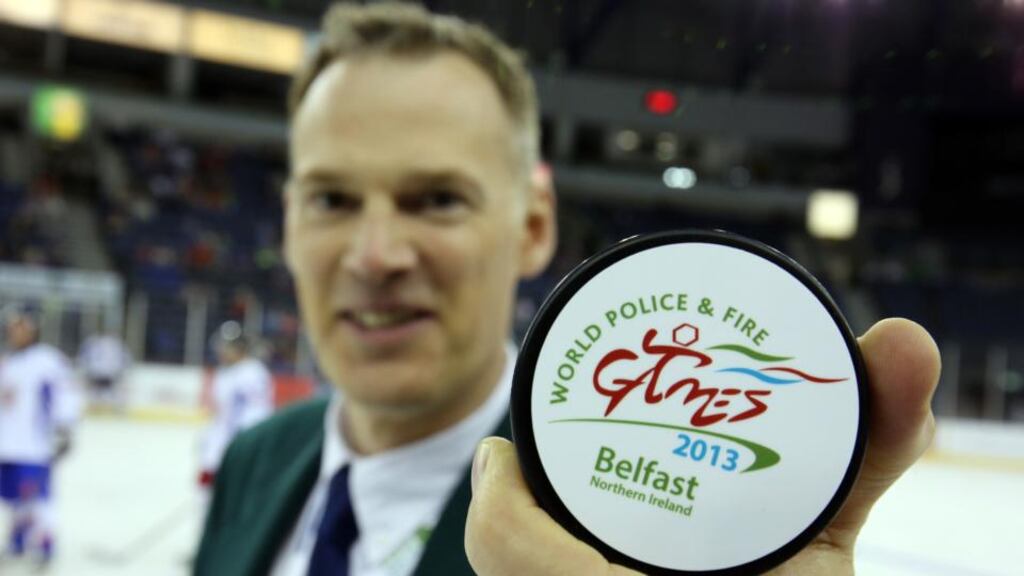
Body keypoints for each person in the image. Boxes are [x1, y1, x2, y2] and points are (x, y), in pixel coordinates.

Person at [194, 3, 941, 576]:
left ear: (533, 225)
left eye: (438, 199)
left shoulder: (640, 529)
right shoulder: (255, 459)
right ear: (287, 219)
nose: (377, 255)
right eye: (331, 199)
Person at [0, 307, 81, 567]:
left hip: (34, 446)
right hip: (7, 445)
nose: (15, 332)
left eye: (21, 326)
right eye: (12, 327)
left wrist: (65, 429)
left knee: (38, 498)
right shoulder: (8, 361)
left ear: (33, 329)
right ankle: (17, 542)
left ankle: (45, 546)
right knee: (14, 498)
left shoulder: (47, 360)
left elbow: (66, 393)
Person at [198, 321, 274, 499]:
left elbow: (257, 416)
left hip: (233, 453)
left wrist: (238, 448)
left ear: (238, 348)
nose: (220, 350)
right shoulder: (226, 372)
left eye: (225, 346)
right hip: (217, 451)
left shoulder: (253, 373)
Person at [77, 330, 132, 411]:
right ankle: (118, 409)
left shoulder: (92, 342)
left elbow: (83, 358)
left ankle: (91, 407)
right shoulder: (116, 343)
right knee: (114, 393)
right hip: (110, 373)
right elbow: (126, 360)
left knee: (93, 392)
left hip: (95, 372)